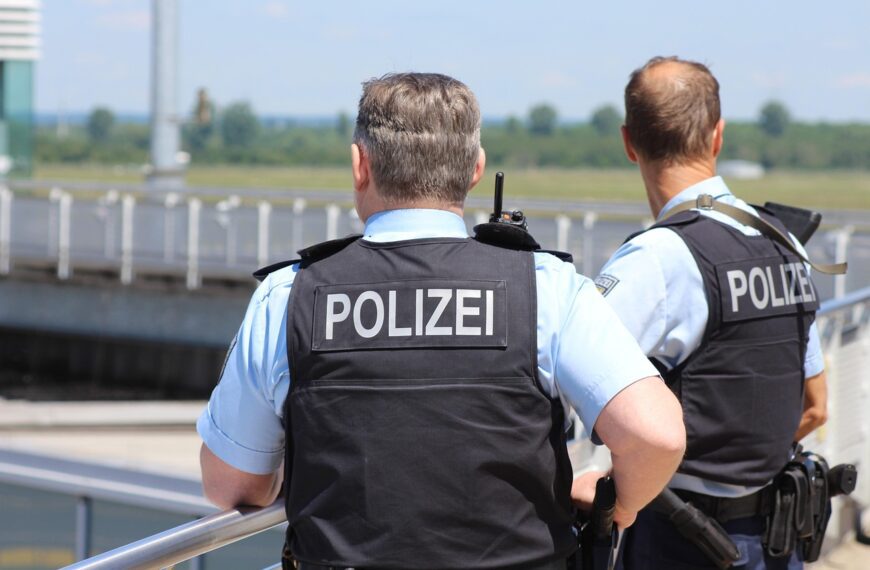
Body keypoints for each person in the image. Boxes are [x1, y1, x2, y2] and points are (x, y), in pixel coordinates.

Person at [197, 72, 685, 570]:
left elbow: (231, 485)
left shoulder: (289, 297)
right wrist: (618, 506)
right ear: (476, 169)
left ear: (359, 165)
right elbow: (657, 436)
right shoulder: (545, 288)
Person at [594, 57, 828, 570]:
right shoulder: (783, 241)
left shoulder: (656, 259)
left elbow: (560, 377)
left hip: (682, 539)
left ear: (629, 141)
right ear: (717, 135)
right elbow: (816, 405)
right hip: (776, 538)